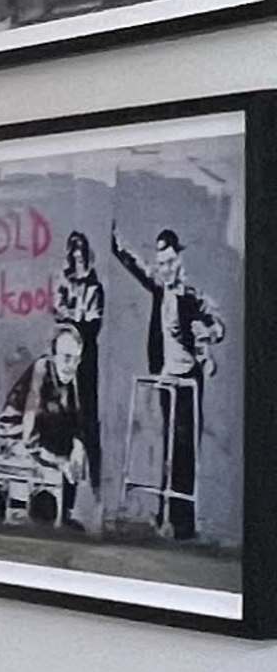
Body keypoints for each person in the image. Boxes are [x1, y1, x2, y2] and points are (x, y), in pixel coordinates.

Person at [112, 219, 226, 539]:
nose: (165, 268)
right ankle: (165, 514)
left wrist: (210, 333)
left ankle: (183, 523)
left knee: (185, 448)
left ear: (180, 260)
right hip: (166, 377)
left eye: (170, 262)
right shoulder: (160, 288)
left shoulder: (191, 295)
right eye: (161, 263)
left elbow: (218, 324)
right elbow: (137, 267)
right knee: (167, 446)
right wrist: (118, 245)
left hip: (188, 379)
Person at [43, 229, 107, 525]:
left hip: (86, 362)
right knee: (62, 424)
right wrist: (71, 319)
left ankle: (89, 500)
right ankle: (62, 503)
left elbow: (92, 323)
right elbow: (57, 311)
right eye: (73, 251)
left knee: (86, 425)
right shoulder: (64, 280)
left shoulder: (95, 286)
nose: (77, 256)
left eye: (81, 251)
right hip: (65, 359)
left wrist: (73, 318)